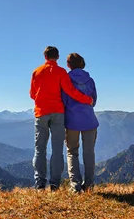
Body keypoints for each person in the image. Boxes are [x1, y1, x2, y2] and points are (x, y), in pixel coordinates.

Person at [30, 46, 93, 190]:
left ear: (45, 56)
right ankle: (54, 184)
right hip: (58, 112)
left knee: (39, 149)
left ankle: (40, 183)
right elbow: (70, 91)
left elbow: (32, 94)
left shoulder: (36, 72)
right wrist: (87, 99)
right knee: (57, 149)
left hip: (41, 113)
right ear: (57, 57)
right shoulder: (61, 72)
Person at [62, 52, 99, 192]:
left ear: (68, 65)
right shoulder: (90, 80)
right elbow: (93, 101)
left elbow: (63, 99)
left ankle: (75, 185)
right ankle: (89, 185)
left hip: (71, 121)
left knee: (72, 152)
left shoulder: (66, 79)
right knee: (89, 152)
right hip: (89, 120)